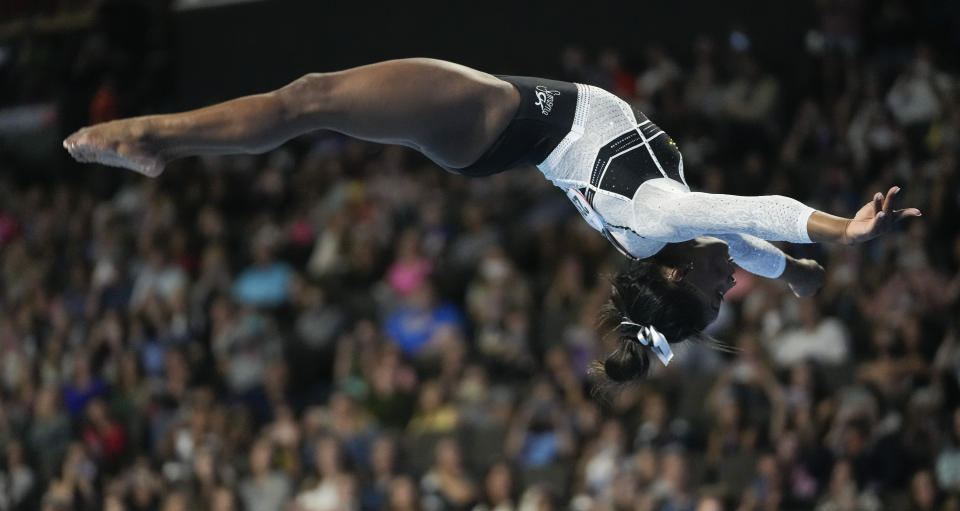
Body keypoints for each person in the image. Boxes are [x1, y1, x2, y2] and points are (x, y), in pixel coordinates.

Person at [64, 58, 920, 382]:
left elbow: (746, 214)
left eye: (717, 291)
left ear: (670, 274)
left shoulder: (658, 216)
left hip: (498, 121)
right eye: (731, 286)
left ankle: (155, 140)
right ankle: (161, 144)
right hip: (504, 132)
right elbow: (738, 244)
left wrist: (840, 232)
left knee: (310, 99)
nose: (732, 278)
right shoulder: (675, 248)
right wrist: (798, 271)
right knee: (310, 104)